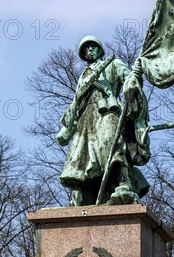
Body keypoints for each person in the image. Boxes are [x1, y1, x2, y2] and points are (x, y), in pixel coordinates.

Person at [56, 35, 151, 206]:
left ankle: (123, 182)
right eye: (86, 48)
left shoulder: (113, 64)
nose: (89, 50)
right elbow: (76, 103)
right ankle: (85, 192)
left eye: (93, 47)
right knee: (82, 156)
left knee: (111, 145)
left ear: (99, 49)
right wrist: (67, 127)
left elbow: (128, 79)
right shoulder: (84, 75)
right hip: (87, 118)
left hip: (108, 110)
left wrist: (133, 77)